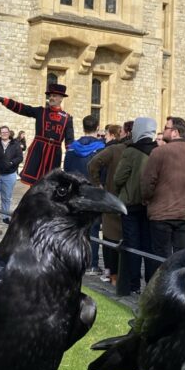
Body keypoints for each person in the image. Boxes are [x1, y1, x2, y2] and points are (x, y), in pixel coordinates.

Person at [141, 116, 185, 275]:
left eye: (166, 128)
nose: (164, 130)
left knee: (160, 256)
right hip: (184, 213)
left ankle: (159, 290)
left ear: (175, 132)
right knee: (182, 257)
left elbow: (147, 183)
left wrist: (149, 199)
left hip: (161, 212)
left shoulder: (158, 152)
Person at [0, 83, 74, 185]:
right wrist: (4, 101)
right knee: (34, 183)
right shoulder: (41, 111)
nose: (51, 98)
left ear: (61, 98)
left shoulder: (67, 118)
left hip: (54, 153)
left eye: (54, 96)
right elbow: (23, 108)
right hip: (38, 150)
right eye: (50, 95)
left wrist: (71, 156)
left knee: (50, 184)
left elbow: (69, 139)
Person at [114, 116, 157, 294]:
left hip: (131, 205)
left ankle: (133, 284)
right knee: (148, 245)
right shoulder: (158, 151)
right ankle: (149, 280)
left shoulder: (130, 152)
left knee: (132, 245)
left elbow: (118, 178)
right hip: (151, 205)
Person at [87, 122, 131, 284]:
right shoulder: (147, 151)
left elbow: (93, 164)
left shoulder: (115, 150)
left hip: (113, 198)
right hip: (133, 201)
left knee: (110, 238)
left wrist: (98, 185)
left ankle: (112, 273)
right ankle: (125, 276)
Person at [63, 115, 106, 273]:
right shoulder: (102, 148)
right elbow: (103, 172)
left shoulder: (72, 148)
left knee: (75, 228)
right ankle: (91, 263)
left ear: (83, 126)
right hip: (93, 192)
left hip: (75, 192)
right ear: (97, 126)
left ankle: (73, 260)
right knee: (93, 230)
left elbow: (67, 170)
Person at [0, 125, 24, 224]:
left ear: (9, 133)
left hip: (9, 175)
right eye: (2, 132)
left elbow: (20, 157)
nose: (4, 134)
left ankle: (5, 216)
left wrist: (12, 163)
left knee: (6, 197)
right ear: (0, 133)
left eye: (6, 132)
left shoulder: (15, 144)